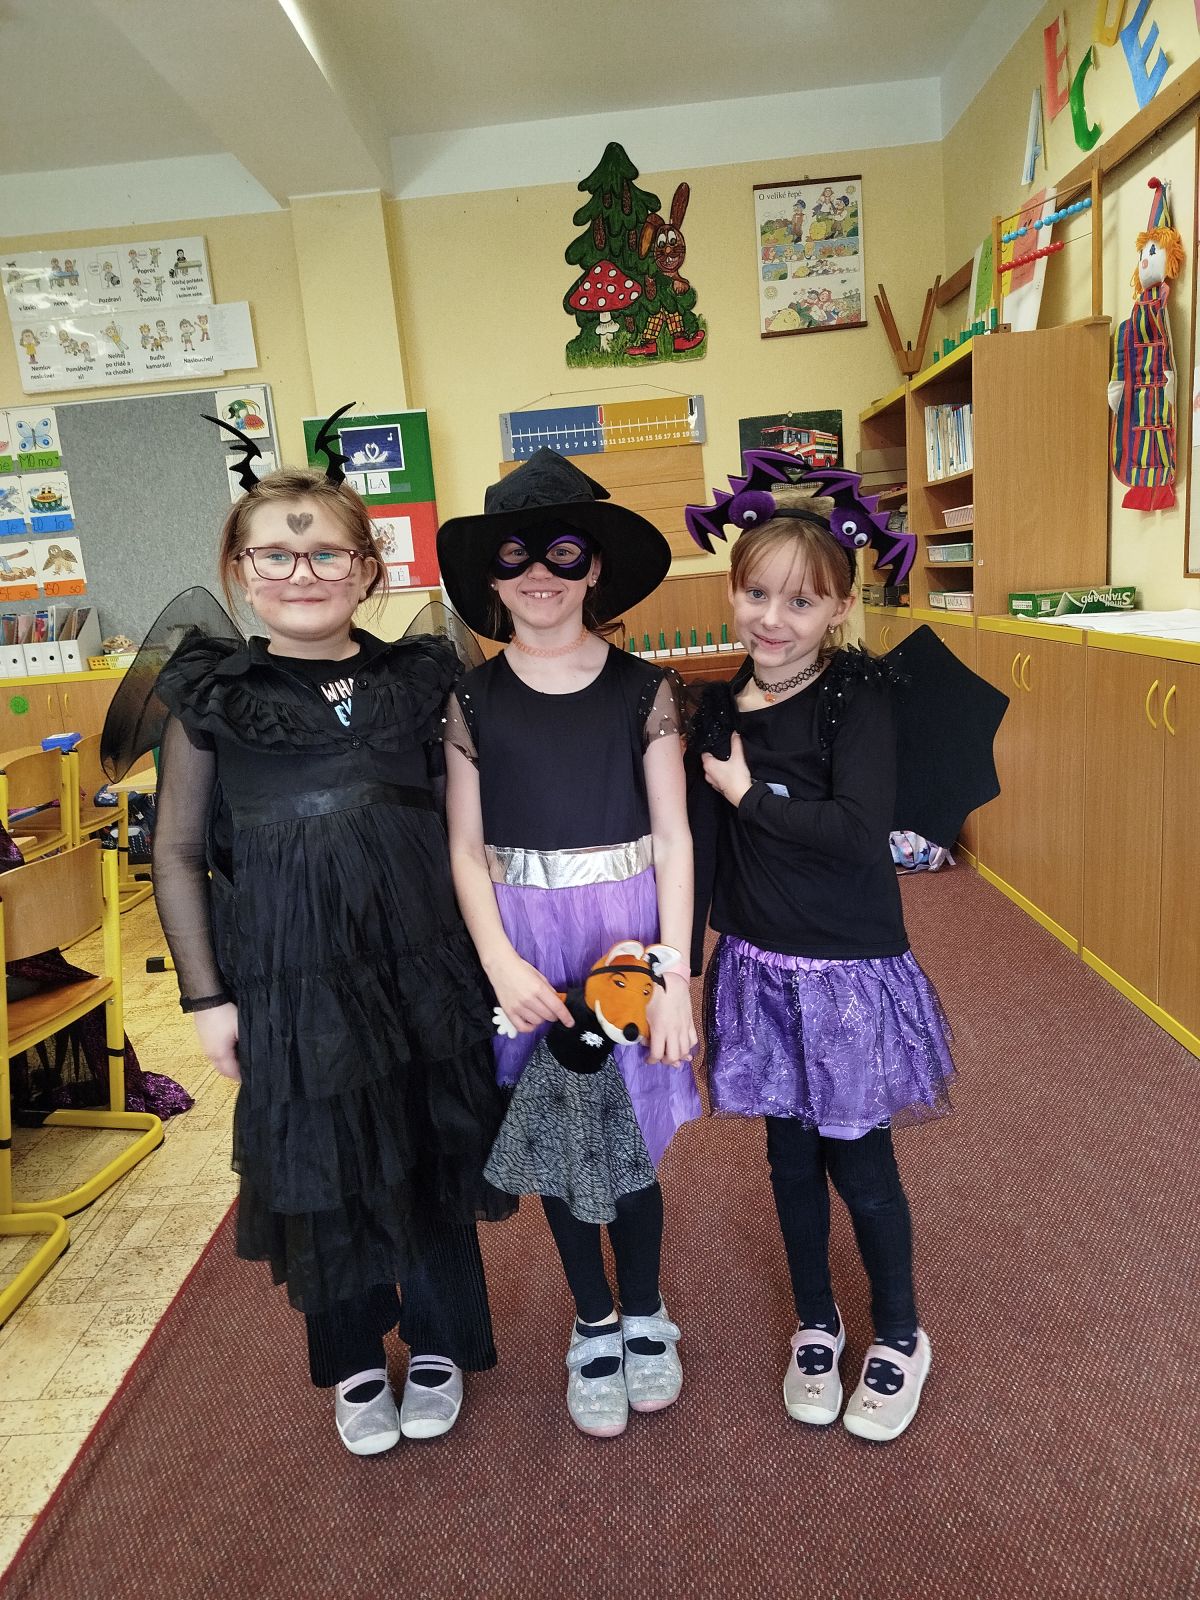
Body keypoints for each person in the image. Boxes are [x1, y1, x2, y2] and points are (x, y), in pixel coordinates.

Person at [152, 453, 511, 1458]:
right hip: (290, 978)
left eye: (325, 554)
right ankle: (355, 1357)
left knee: (430, 1145)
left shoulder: (419, 677)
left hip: (419, 963)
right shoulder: (213, 693)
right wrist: (206, 998)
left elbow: (464, 823)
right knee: (327, 1164)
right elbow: (176, 852)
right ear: (240, 568)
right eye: (275, 553)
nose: (300, 572)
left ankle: (437, 1342)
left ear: (366, 567)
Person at [437, 449, 699, 1439]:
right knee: (556, 1134)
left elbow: (674, 838)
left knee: (626, 1136)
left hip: (624, 935)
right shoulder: (470, 698)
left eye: (562, 553)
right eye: (515, 556)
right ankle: (592, 1318)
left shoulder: (646, 689)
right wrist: (499, 962)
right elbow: (465, 848)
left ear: (594, 569)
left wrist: (674, 974)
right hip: (525, 940)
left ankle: (646, 1311)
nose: (538, 573)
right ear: (492, 578)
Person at [688, 475, 955, 1443]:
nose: (773, 618)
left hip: (845, 971)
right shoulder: (718, 709)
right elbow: (701, 848)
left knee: (861, 1160)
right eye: (756, 593)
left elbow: (854, 831)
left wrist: (748, 794)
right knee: (788, 1159)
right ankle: (816, 1319)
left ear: (840, 607)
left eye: (801, 601)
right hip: (759, 967)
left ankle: (901, 1333)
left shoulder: (857, 695)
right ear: (733, 590)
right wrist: (681, 961)